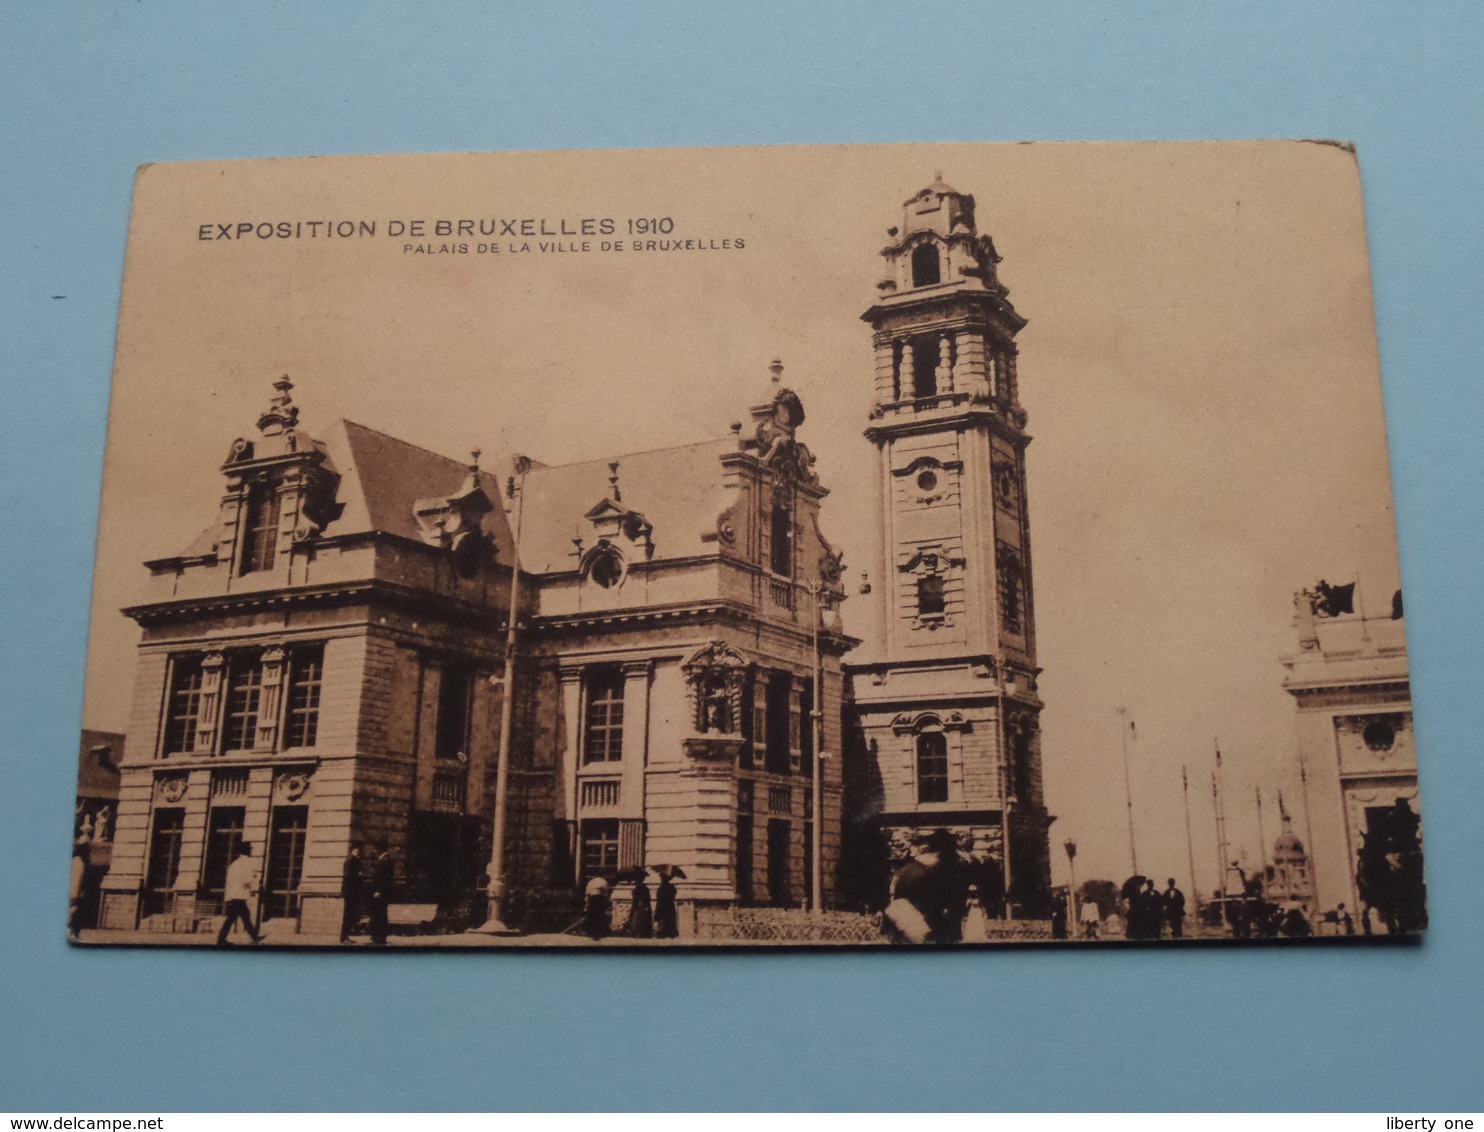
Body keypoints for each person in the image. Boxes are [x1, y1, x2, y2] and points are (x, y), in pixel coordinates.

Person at [216, 843, 263, 945]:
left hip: (234, 894)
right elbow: (246, 879)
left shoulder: (235, 863)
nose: (251, 851)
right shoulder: (246, 862)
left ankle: (253, 936)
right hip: (240, 894)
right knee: (237, 917)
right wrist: (255, 878)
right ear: (246, 851)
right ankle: (221, 939)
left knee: (240, 916)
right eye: (249, 849)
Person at [366, 841, 394, 946]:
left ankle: (379, 938)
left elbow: (385, 879)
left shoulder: (385, 860)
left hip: (380, 893)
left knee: (379, 915)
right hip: (381, 892)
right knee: (380, 914)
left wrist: (379, 891)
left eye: (376, 849)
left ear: (380, 849)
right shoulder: (384, 860)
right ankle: (379, 937)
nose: (375, 851)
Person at [340, 841, 364, 944]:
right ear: (354, 849)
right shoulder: (350, 860)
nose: (361, 851)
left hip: (352, 892)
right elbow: (348, 877)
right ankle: (344, 937)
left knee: (350, 915)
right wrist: (359, 875)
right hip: (350, 892)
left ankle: (346, 936)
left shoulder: (355, 860)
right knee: (348, 915)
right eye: (359, 849)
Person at [68, 840, 90, 940]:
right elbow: (77, 880)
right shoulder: (79, 862)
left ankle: (73, 933)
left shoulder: (75, 861)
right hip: (75, 894)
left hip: (74, 893)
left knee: (73, 914)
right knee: (73, 914)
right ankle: (72, 933)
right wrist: (77, 894)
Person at [583, 876, 612, 940]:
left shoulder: (591, 882)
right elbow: (606, 894)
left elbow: (587, 894)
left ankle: (592, 932)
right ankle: (597, 933)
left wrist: (586, 904)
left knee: (592, 917)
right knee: (598, 916)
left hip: (593, 899)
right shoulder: (604, 881)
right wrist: (607, 903)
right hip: (599, 899)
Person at [654, 872, 679, 939]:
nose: (661, 880)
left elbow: (659, 902)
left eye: (662, 878)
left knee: (662, 929)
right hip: (670, 910)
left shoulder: (661, 889)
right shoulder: (672, 887)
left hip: (663, 911)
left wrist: (656, 915)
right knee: (670, 928)